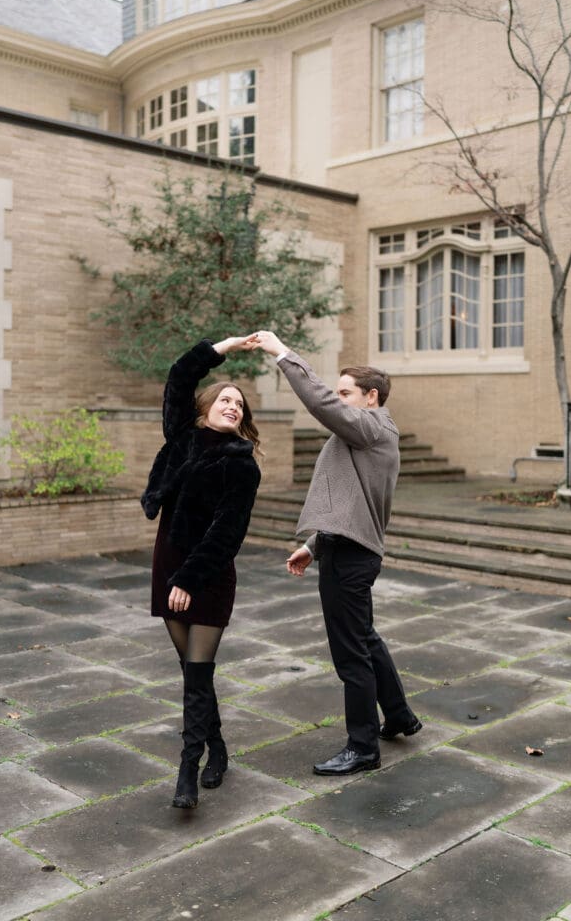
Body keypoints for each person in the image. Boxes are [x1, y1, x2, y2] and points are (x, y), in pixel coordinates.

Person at [250, 330, 421, 776]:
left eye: (346, 392)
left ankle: (362, 747)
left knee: (351, 656)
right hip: (346, 548)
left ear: (371, 397)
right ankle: (399, 715)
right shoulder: (366, 434)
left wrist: (283, 354)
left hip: (351, 559)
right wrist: (313, 545)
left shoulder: (372, 426)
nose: (338, 399)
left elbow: (320, 403)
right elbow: (349, 502)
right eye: (339, 391)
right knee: (365, 638)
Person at [141, 336, 261, 808]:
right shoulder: (183, 439)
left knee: (197, 672)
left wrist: (189, 581)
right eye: (225, 399)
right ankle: (219, 748)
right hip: (167, 567)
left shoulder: (240, 466)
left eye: (239, 404)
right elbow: (178, 378)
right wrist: (222, 348)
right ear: (206, 408)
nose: (232, 405)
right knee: (194, 675)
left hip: (206, 577)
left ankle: (187, 772)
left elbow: (226, 534)